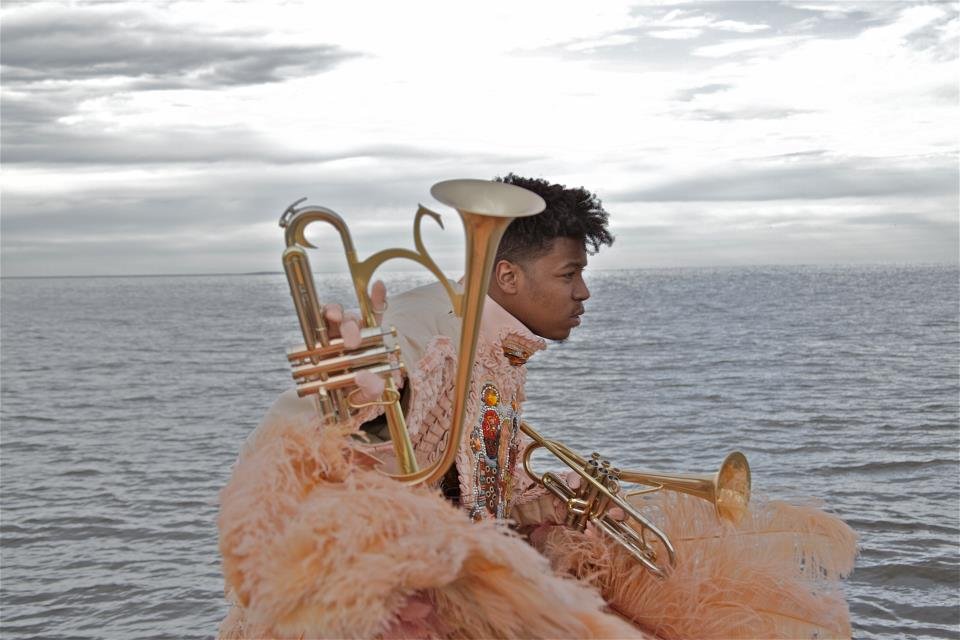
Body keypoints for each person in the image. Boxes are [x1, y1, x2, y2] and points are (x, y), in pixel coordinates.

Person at [217, 175, 856, 639]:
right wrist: (368, 398)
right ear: (507, 277)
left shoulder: (495, 343)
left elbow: (467, 469)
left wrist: (549, 501)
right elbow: (373, 436)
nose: (584, 293)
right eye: (568, 274)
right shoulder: (428, 328)